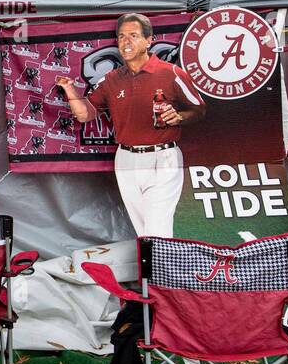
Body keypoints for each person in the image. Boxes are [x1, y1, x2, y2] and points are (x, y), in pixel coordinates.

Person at [57, 13, 205, 238]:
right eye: (121, 37)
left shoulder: (171, 73)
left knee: (158, 229)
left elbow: (199, 110)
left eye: (133, 36)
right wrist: (70, 90)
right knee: (142, 229)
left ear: (149, 40)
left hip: (162, 156)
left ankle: (162, 272)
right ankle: (152, 272)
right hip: (126, 158)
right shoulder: (113, 78)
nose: (126, 42)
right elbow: (85, 115)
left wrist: (180, 117)